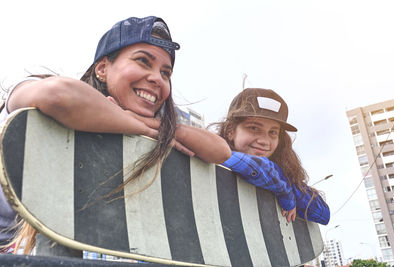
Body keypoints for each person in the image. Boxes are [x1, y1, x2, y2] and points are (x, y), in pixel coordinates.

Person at [0, 16, 231, 254]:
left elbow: (220, 151)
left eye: (165, 73)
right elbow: (57, 95)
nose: (156, 78)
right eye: (143, 61)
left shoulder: (156, 129)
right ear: (102, 68)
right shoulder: (42, 92)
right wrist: (137, 124)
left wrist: (153, 126)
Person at [215, 88, 330, 225]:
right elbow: (257, 166)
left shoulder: (279, 176)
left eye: (273, 132)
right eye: (254, 128)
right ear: (230, 131)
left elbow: (322, 214)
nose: (264, 141)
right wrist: (283, 191)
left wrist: (286, 184)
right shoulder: (214, 156)